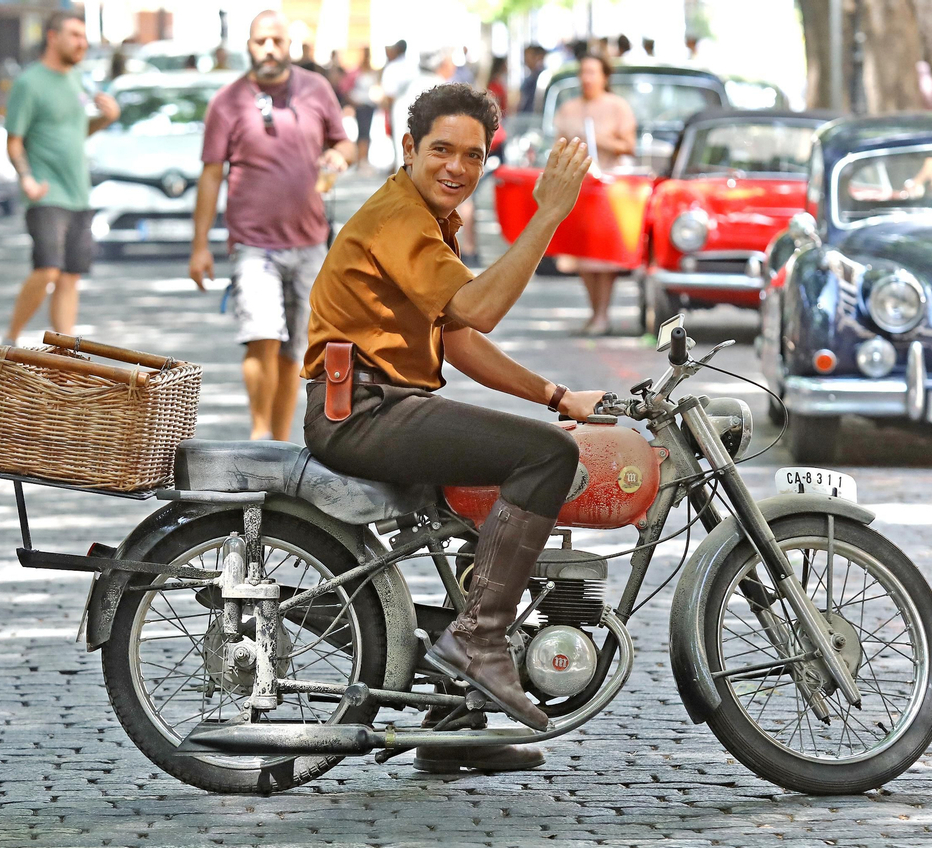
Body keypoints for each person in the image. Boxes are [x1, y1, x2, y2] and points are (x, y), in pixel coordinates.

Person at [302, 83, 599, 772]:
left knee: (492, 511)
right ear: (408, 149)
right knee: (545, 457)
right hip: (365, 413)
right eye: (441, 150)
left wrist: (555, 393)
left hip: (380, 405)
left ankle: (452, 724)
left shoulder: (427, 220)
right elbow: (481, 309)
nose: (456, 167)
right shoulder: (399, 218)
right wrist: (548, 216)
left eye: (473, 155)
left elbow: (459, 336)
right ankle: (480, 643)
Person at [189, 10, 352, 442]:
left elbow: (343, 141)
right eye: (261, 41)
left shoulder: (316, 89)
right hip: (253, 244)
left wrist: (340, 156)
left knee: (294, 352)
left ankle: (278, 443)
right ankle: (259, 435)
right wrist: (199, 244)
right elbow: (210, 175)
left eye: (276, 41)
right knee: (261, 335)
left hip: (310, 241)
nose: (269, 49)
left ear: (288, 46)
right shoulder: (228, 101)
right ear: (249, 45)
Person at [1, 11, 120, 345]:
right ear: (52, 37)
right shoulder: (29, 82)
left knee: (70, 276)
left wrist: (106, 119)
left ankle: (63, 352)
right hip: (46, 192)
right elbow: (14, 141)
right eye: (74, 35)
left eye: (84, 37)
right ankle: (10, 337)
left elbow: (77, 133)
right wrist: (25, 177)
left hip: (78, 192)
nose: (81, 43)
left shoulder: (79, 79)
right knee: (48, 270)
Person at [552, 53, 635, 335]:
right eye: (583, 72)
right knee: (583, 252)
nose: (587, 78)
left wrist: (600, 140)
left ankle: (602, 313)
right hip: (579, 186)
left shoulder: (618, 106)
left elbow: (629, 145)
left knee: (604, 254)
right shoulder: (568, 108)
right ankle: (594, 310)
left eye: (593, 72)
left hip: (608, 187)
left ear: (604, 76)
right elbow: (556, 147)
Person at [343, 47, 379, 172]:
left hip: (369, 104)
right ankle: (360, 159)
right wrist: (353, 101)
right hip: (361, 105)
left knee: (367, 132)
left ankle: (364, 158)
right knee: (362, 132)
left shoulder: (372, 71)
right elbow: (345, 87)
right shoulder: (356, 72)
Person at [378, 39, 412, 167]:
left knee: (400, 139)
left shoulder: (392, 67)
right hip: (415, 106)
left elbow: (389, 94)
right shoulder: (412, 65)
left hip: (398, 107)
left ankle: (400, 169)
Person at [517, 43, 544, 113]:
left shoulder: (542, 77)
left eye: (528, 56)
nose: (526, 60)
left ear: (538, 57)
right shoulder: (529, 78)